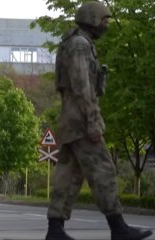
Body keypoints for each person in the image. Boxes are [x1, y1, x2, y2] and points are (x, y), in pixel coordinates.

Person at [45, 1, 153, 240]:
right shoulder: (81, 45)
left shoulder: (74, 42)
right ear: (92, 19)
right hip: (82, 121)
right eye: (104, 20)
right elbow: (83, 87)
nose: (107, 25)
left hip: (71, 120)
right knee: (103, 171)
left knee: (68, 176)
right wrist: (93, 120)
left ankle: (55, 230)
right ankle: (118, 228)